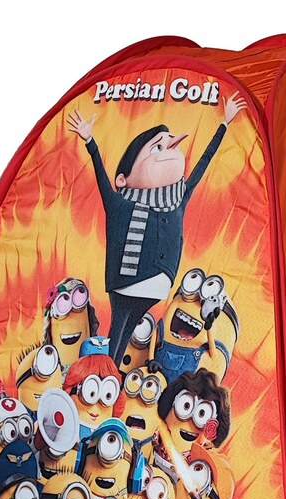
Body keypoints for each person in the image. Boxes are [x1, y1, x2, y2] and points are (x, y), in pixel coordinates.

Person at [67, 91, 247, 364]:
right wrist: (90, 141)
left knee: (126, 337)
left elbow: (203, 163)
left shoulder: (177, 200)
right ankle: (107, 379)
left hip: (156, 287)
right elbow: (102, 176)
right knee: (117, 338)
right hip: (126, 284)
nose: (170, 147)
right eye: (157, 147)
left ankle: (111, 378)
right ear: (123, 179)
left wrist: (224, 124)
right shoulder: (120, 204)